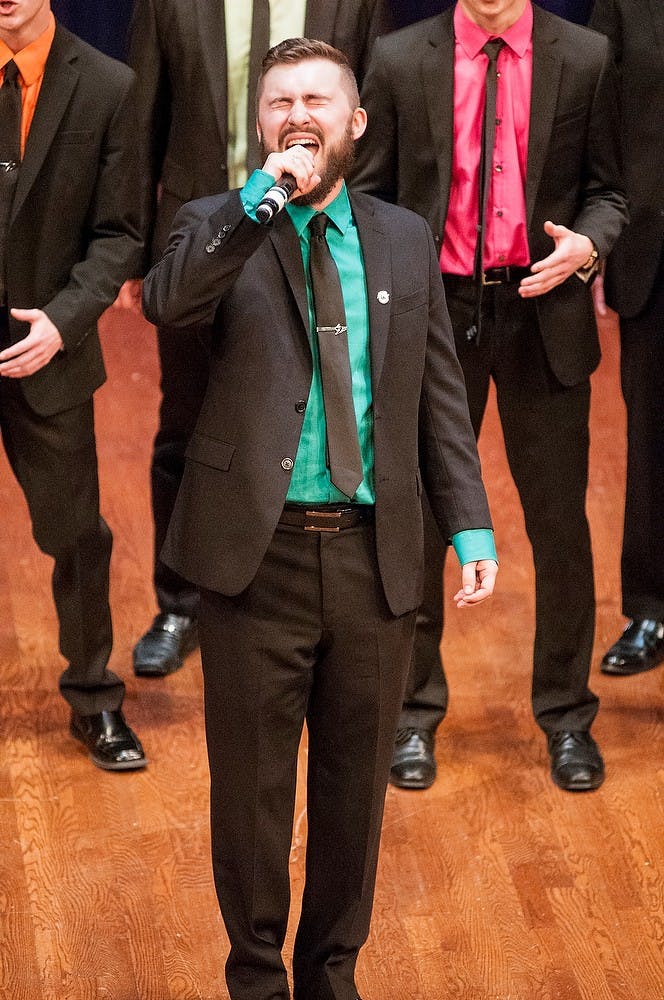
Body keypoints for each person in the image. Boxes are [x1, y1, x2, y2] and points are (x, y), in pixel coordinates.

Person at [143, 37, 497, 999]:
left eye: (316, 100)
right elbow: (169, 304)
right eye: (278, 102)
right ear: (259, 125)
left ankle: (331, 974)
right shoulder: (214, 222)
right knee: (252, 803)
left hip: (376, 558)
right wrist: (259, 205)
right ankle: (255, 978)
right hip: (254, 560)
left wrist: (468, 520)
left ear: (357, 123)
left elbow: (436, 395)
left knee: (354, 803)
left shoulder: (402, 236)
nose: (297, 115)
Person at [353, 0, 628, 792]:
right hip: (439, 314)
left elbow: (610, 190)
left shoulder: (585, 56)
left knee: (558, 523)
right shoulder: (404, 58)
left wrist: (589, 244)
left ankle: (567, 715)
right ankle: (414, 713)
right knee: (425, 516)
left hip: (545, 309)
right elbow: (371, 198)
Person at [125, 0, 393, 679]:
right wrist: (137, 256)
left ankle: (308, 586)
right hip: (204, 236)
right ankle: (180, 601)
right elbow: (143, 120)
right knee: (185, 423)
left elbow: (376, 110)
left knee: (308, 407)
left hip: (314, 231)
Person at [0, 0, 146, 769]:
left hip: (46, 343)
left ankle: (95, 696)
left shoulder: (110, 86)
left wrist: (61, 321)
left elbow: (120, 232)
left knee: (76, 534)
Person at [588, 0, 664, 676]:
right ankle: (651, 608)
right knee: (651, 438)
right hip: (653, 253)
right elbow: (596, 118)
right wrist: (595, 235)